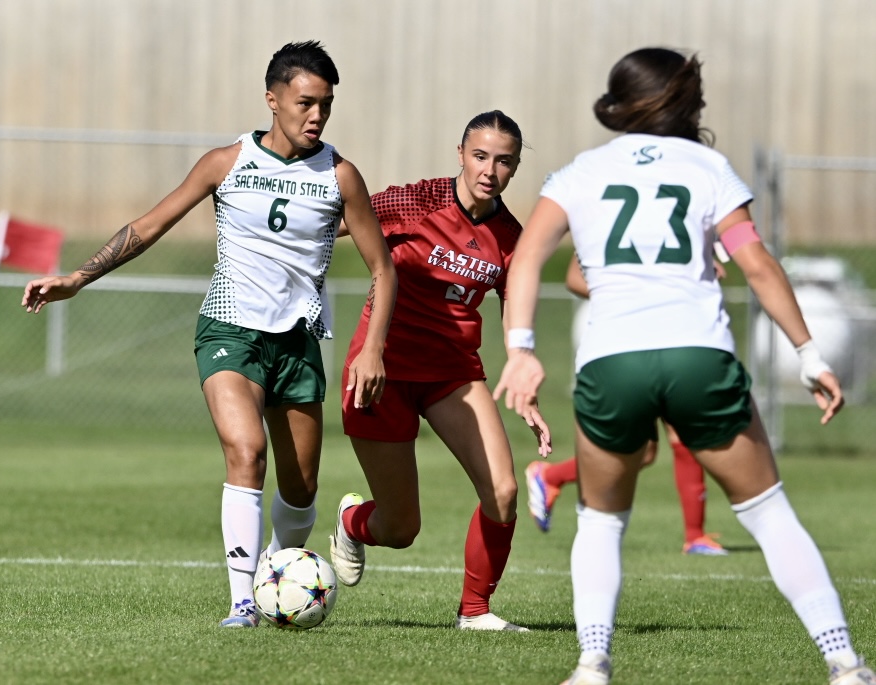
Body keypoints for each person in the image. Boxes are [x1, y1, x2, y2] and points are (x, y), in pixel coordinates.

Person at [494, 48, 874, 685]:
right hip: (700, 355)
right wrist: (809, 354)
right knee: (771, 513)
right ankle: (844, 663)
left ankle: (591, 664)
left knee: (602, 522)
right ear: (681, 101)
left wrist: (522, 349)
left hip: (613, 362)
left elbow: (527, 258)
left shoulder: (578, 173)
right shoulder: (709, 167)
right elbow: (755, 264)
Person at [21, 40, 397, 629]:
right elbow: (149, 225)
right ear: (272, 100)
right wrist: (79, 277)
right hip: (229, 328)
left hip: (297, 340)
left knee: (300, 492)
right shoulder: (226, 162)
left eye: (325, 105)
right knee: (246, 452)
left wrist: (372, 346)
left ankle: (280, 569)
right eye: (305, 103)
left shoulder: (340, 176)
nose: (316, 116)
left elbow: (383, 267)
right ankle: (242, 601)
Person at [327, 110, 551, 632]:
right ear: (460, 154)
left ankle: (475, 612)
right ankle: (352, 522)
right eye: (479, 156)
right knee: (401, 528)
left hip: (452, 373)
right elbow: (329, 227)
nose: (489, 170)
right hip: (379, 367)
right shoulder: (415, 201)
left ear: (514, 168)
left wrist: (524, 381)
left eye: (503, 161)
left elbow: (515, 312)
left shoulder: (510, 237)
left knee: (504, 491)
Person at [526, 253, 728, 555]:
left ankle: (550, 476)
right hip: (626, 344)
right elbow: (573, 277)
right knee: (671, 435)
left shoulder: (671, 215)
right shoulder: (604, 213)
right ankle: (694, 536)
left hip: (668, 337)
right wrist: (628, 300)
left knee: (645, 452)